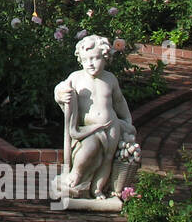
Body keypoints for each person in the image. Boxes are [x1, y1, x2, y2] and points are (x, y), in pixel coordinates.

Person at [54, 35, 136, 198]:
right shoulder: (76, 77)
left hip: (111, 125)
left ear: (105, 57)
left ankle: (98, 188)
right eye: (86, 60)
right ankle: (76, 175)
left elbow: (119, 101)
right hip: (87, 129)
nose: (90, 64)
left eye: (95, 58)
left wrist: (127, 119)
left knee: (107, 158)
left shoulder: (110, 79)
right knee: (87, 151)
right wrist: (61, 95)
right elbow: (60, 89)